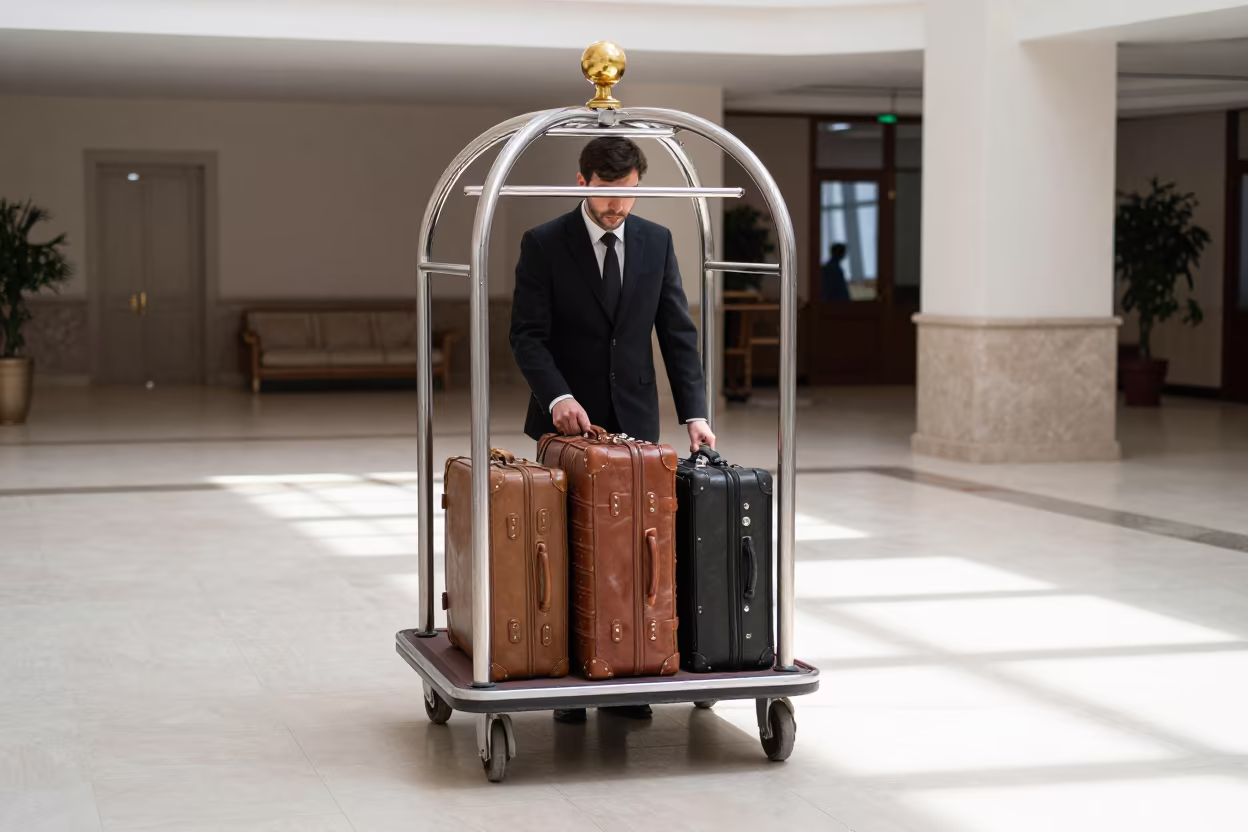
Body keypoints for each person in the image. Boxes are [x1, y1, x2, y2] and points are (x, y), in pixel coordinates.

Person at [510, 136, 714, 723]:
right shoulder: (544, 243)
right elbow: (526, 334)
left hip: (635, 425)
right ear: (582, 183)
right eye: (605, 194)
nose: (616, 207)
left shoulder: (657, 241)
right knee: (570, 548)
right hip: (565, 425)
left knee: (633, 551)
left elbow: (677, 334)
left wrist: (694, 413)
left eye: (627, 194)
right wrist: (558, 395)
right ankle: (571, 680)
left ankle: (629, 669)